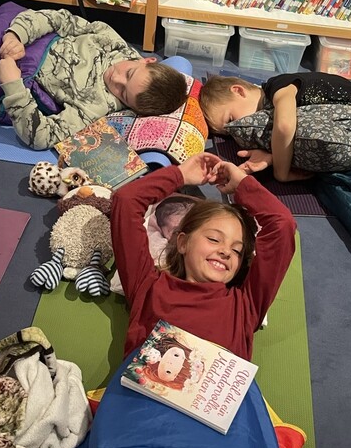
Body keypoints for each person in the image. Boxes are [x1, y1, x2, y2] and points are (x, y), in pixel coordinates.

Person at [110, 152, 296, 362]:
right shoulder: (148, 286)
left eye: (237, 250)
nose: (226, 251)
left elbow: (282, 225)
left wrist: (242, 184)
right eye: (214, 239)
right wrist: (179, 175)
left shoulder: (244, 306)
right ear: (183, 243)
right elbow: (126, 201)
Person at [0, 8, 188, 149]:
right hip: (21, 29)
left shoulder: (95, 107)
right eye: (129, 73)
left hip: (10, 68)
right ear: (147, 60)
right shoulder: (112, 41)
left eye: (123, 93)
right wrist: (16, 34)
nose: (116, 79)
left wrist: (13, 87)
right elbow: (62, 20)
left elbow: (42, 137)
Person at [199, 73, 351, 181]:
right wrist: (271, 155)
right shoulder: (265, 116)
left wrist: (281, 172)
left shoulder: (279, 87)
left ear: (238, 91)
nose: (237, 128)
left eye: (231, 119)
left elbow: (285, 126)